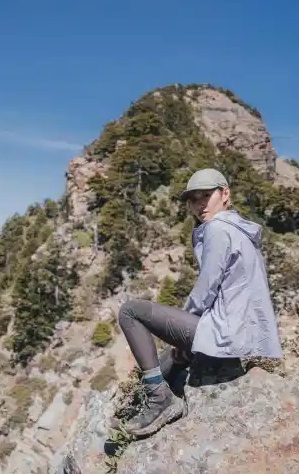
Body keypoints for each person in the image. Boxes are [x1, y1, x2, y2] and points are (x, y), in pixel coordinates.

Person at [111, 167, 283, 437]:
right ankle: (146, 400)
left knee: (130, 311)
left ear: (225, 194)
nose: (200, 203)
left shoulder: (218, 228)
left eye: (207, 195)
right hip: (244, 336)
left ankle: (159, 400)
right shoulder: (241, 230)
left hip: (226, 332)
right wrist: (186, 342)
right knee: (170, 359)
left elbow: (205, 290)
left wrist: (184, 335)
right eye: (194, 198)